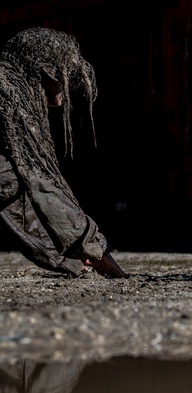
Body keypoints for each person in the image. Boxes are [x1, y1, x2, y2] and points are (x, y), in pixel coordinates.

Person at [0, 28, 127, 278]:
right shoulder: (10, 95)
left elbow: (15, 195)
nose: (65, 89)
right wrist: (95, 249)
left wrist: (70, 261)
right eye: (61, 76)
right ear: (43, 70)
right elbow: (41, 183)